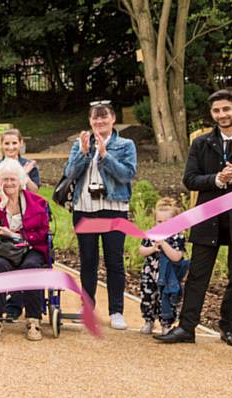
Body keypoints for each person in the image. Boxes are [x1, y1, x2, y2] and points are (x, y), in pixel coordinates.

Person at [156, 90, 232, 349]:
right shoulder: (201, 143)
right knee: (198, 275)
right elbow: (189, 179)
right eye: (216, 111)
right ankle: (187, 327)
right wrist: (216, 180)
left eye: (226, 109)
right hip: (207, 218)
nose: (222, 115)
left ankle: (229, 328)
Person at [64, 101, 137, 330]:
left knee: (114, 261)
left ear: (113, 119)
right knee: (88, 260)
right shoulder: (80, 144)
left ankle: (116, 310)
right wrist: (84, 153)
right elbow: (69, 173)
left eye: (104, 117)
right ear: (90, 121)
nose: (100, 122)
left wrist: (105, 155)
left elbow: (127, 175)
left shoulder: (125, 144)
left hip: (114, 209)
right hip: (85, 209)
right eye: (95, 118)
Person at [0, 159, 50, 341]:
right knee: (0, 267)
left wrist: (18, 236)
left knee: (31, 267)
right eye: (5, 180)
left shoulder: (37, 202)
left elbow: (43, 231)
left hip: (30, 248)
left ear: (21, 181)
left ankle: (33, 319)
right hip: (2, 249)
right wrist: (1, 205)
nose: (9, 183)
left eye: (13, 179)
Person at [139, 198, 187, 336]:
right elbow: (142, 250)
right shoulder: (151, 234)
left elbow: (177, 256)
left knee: (165, 298)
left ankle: (166, 323)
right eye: (159, 222)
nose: (162, 225)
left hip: (167, 275)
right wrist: (153, 248)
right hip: (150, 274)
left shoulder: (177, 237)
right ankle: (148, 320)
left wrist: (164, 244)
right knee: (148, 297)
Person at [0, 128, 40, 194]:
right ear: (1, 144)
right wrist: (3, 179)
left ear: (21, 143)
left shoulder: (29, 165)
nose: (11, 147)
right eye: (7, 143)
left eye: (14, 143)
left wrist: (24, 174)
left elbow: (34, 191)